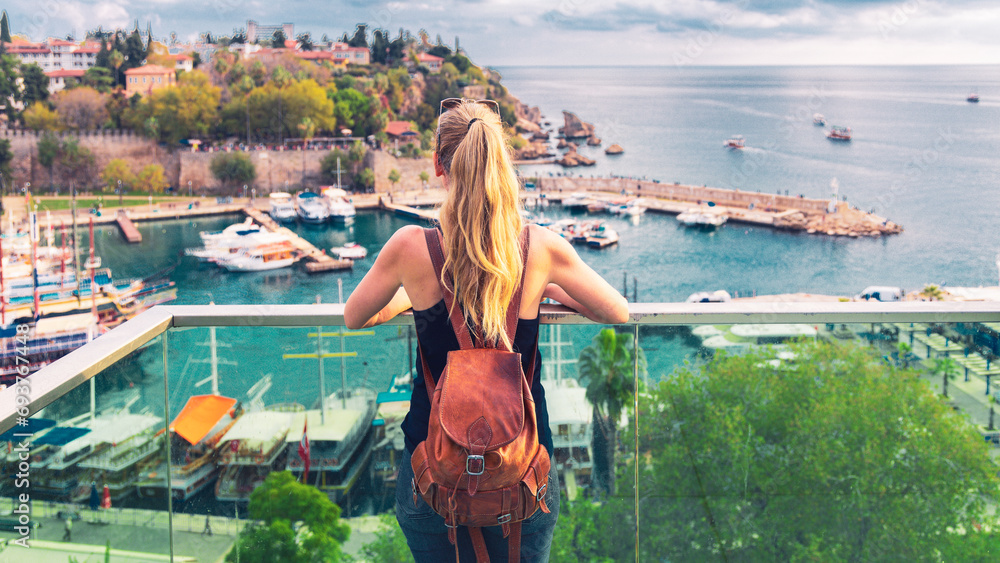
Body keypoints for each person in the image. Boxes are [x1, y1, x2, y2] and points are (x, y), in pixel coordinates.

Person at [344, 99, 628, 562]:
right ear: (502, 162)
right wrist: (547, 292)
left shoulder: (410, 249)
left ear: (439, 164)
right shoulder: (540, 249)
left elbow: (355, 316)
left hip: (430, 474)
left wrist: (410, 296)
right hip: (524, 474)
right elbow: (616, 310)